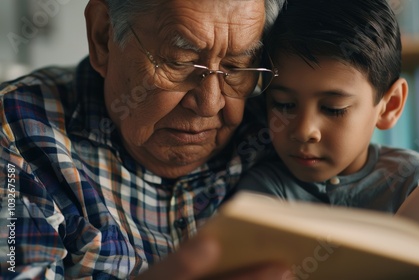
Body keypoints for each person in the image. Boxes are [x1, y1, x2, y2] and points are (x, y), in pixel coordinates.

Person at [0, 0, 288, 278]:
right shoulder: (17, 131)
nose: (210, 104)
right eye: (180, 61)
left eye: (236, 67)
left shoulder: (280, 127)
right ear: (103, 36)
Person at [236, 0, 419, 273]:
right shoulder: (263, 192)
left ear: (390, 106)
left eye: (333, 109)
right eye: (284, 104)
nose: (304, 131)